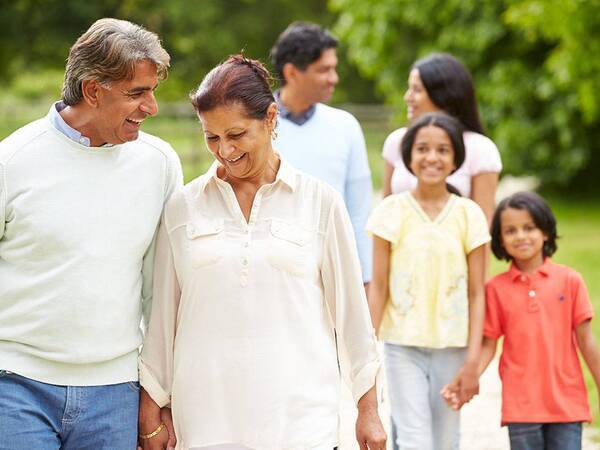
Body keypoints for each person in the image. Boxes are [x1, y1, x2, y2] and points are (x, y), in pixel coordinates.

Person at [137, 55, 386, 450]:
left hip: (302, 427)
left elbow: (353, 317)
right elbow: (163, 319)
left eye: (236, 134)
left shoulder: (320, 202)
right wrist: (151, 409)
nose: (225, 150)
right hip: (206, 427)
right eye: (212, 137)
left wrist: (368, 411)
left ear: (270, 118)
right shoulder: (183, 208)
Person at [0, 18, 182, 449]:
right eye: (137, 93)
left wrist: (157, 396)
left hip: (115, 391)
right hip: (15, 386)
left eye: (152, 91)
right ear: (93, 90)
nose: (151, 107)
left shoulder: (159, 164)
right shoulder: (12, 161)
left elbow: (162, 289)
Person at [367, 112, 488, 450]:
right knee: (415, 440)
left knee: (446, 442)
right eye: (422, 148)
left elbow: (478, 294)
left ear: (455, 160)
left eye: (442, 150)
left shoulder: (469, 215)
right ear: (408, 156)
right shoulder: (390, 212)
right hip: (402, 347)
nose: (432, 157)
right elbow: (378, 286)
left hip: (453, 347)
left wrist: (473, 362)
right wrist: (366, 350)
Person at [444, 191, 600, 450]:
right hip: (521, 407)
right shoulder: (495, 289)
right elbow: (488, 346)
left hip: (567, 404)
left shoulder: (571, 281)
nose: (521, 236)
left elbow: (587, 342)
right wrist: (466, 379)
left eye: (529, 228)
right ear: (501, 240)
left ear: (546, 232)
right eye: (511, 231)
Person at [271, 22, 373, 287]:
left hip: (331, 275)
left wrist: (365, 279)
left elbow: (359, 211)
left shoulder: (346, 126)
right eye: (324, 70)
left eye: (333, 68)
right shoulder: (254, 125)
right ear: (292, 72)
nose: (334, 78)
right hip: (271, 275)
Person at [381, 52, 501, 224]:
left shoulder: (480, 149)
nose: (407, 97)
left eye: (417, 90)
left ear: (444, 95)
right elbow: (385, 215)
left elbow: (483, 225)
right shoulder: (397, 142)